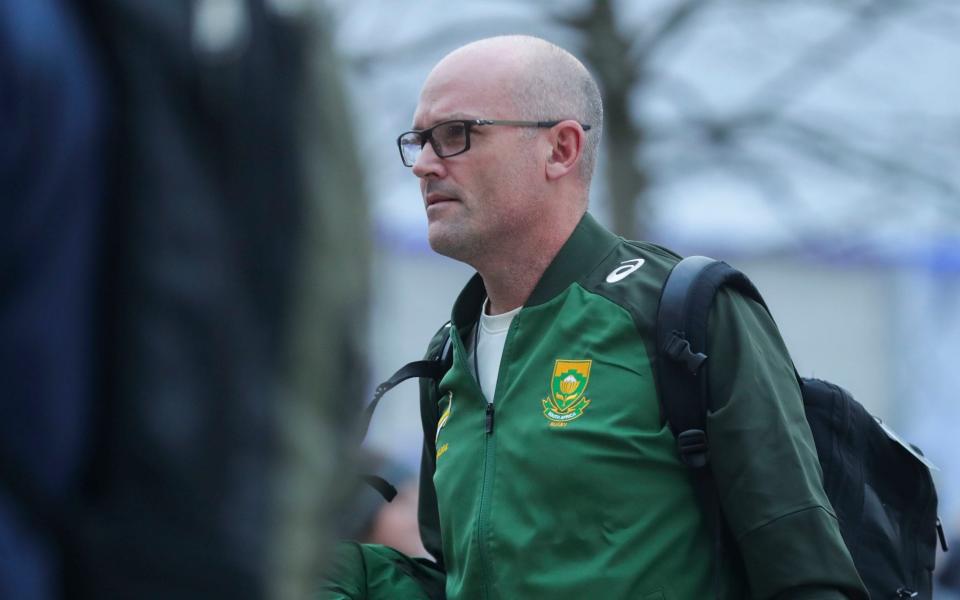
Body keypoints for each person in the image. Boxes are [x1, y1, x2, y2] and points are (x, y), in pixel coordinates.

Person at [321, 35, 868, 599]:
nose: (426, 166)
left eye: (456, 135)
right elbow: (464, 582)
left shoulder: (684, 311)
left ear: (561, 149)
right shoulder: (445, 361)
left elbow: (806, 571)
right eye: (419, 141)